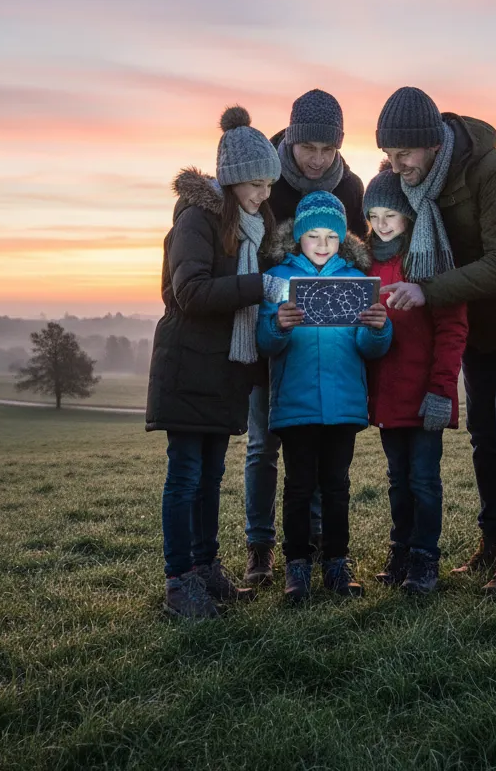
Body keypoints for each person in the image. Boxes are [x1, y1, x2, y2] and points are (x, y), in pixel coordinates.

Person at [375, 86, 496, 594]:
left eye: (403, 153)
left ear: (432, 144)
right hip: (473, 313)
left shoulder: (495, 171)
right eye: (387, 156)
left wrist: (426, 289)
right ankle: (494, 541)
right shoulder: (413, 183)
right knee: (483, 430)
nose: (395, 166)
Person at [146, 105, 289, 619]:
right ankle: (178, 582)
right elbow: (190, 292)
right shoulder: (196, 218)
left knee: (209, 477)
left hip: (222, 369)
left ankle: (206, 570)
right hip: (188, 367)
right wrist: (259, 287)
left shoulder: (250, 226)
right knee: (184, 476)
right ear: (230, 179)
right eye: (255, 183)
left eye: (268, 184)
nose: (263, 194)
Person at [244, 89, 367, 586]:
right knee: (263, 443)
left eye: (327, 149)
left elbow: (355, 257)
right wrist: (272, 310)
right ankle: (261, 548)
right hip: (268, 323)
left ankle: (317, 544)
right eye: (307, 148)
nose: (317, 160)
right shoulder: (265, 180)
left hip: (328, 339)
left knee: (319, 444)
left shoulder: (352, 188)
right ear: (290, 140)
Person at [256, 191, 391, 602]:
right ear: (298, 238)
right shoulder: (279, 280)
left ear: (341, 240)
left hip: (343, 404)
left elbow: (371, 349)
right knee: (298, 486)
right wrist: (278, 324)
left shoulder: (354, 280)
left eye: (330, 237)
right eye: (312, 236)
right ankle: (296, 568)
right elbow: (265, 342)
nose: (321, 244)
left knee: (336, 486)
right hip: (296, 405)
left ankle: (337, 563)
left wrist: (378, 327)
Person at [363, 167, 468, 595]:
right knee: (397, 478)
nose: (382, 223)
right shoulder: (365, 264)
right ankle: (401, 549)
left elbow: (453, 328)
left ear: (409, 215)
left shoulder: (428, 259)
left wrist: (442, 389)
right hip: (387, 393)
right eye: (374, 214)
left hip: (425, 393)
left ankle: (425, 557)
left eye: (391, 213)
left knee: (424, 478)